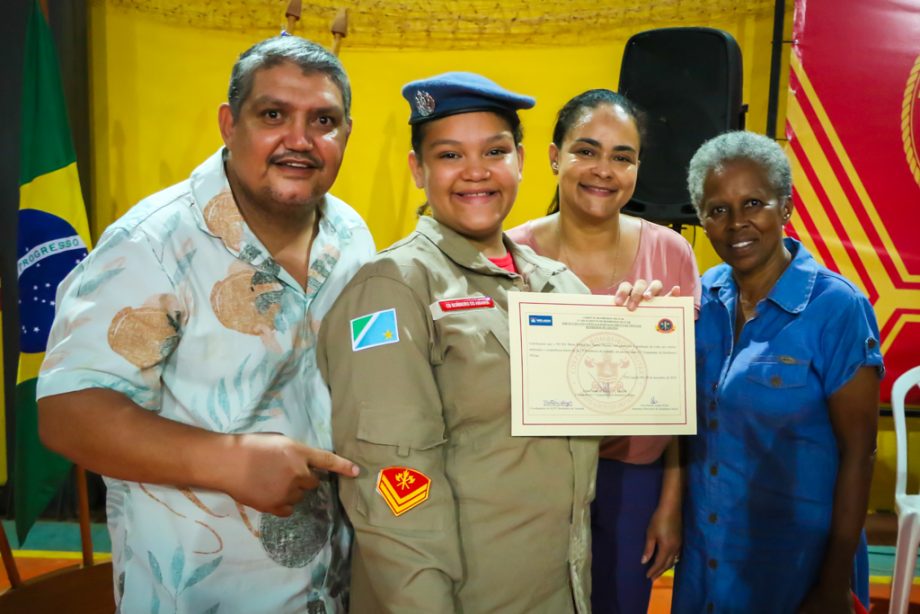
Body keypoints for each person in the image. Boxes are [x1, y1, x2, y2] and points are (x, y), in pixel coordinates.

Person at [37, 36, 374, 612]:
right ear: (229, 124)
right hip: (201, 593)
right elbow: (68, 411)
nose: (300, 139)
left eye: (323, 120)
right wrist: (230, 460)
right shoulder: (152, 244)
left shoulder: (350, 234)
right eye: (273, 115)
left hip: (337, 585)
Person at [318, 72, 664, 612]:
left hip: (558, 590)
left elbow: (598, 420)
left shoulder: (554, 282)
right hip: (461, 598)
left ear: (522, 161)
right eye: (450, 155)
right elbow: (393, 486)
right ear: (418, 169)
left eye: (495, 151)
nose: (476, 172)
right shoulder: (394, 289)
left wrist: (641, 334)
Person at [671, 131, 882, 613]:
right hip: (708, 558)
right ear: (702, 220)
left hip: (798, 567)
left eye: (754, 203)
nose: (737, 223)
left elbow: (859, 454)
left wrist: (831, 587)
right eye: (717, 209)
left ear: (785, 208)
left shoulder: (836, 307)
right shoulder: (700, 298)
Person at [506, 88, 700, 614]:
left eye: (622, 157)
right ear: (553, 157)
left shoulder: (671, 253)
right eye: (586, 151)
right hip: (533, 482)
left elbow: (679, 401)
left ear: (638, 167)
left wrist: (669, 504)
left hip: (633, 483)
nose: (603, 170)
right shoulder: (508, 254)